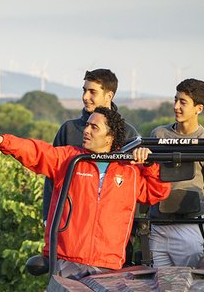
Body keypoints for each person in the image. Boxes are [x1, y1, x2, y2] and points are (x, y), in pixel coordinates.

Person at [0, 107, 169, 277]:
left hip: (108, 265)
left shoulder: (129, 169)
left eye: (94, 127)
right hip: (67, 261)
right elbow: (38, 152)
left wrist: (150, 165)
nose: (86, 131)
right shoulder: (69, 158)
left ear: (110, 137)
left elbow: (157, 193)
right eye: (87, 125)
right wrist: (3, 141)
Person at [42, 68, 140, 222]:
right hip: (69, 223)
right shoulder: (68, 129)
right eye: (84, 90)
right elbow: (51, 176)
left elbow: (134, 184)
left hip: (111, 225)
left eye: (92, 92)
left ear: (109, 95)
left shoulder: (128, 133)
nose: (85, 97)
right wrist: (48, 217)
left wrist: (131, 229)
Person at [146, 78, 204, 267]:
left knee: (192, 286)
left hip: (189, 227)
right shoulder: (158, 135)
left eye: (183, 102)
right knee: (158, 287)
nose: (176, 107)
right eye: (175, 100)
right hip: (158, 225)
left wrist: (190, 211)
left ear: (199, 108)